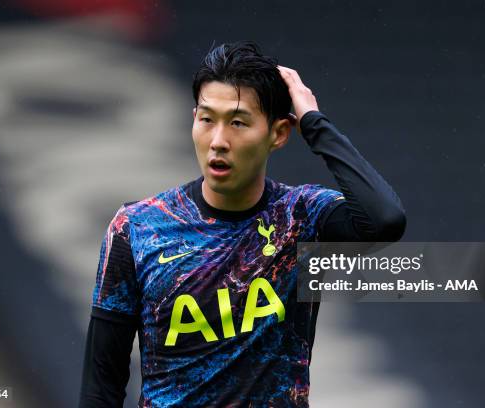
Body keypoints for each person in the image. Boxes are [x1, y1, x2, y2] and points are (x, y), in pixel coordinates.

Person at [79, 41, 406, 407]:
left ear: (279, 134)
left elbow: (384, 220)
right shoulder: (137, 228)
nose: (218, 141)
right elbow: (101, 384)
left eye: (237, 122)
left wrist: (314, 123)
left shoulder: (301, 217)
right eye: (207, 119)